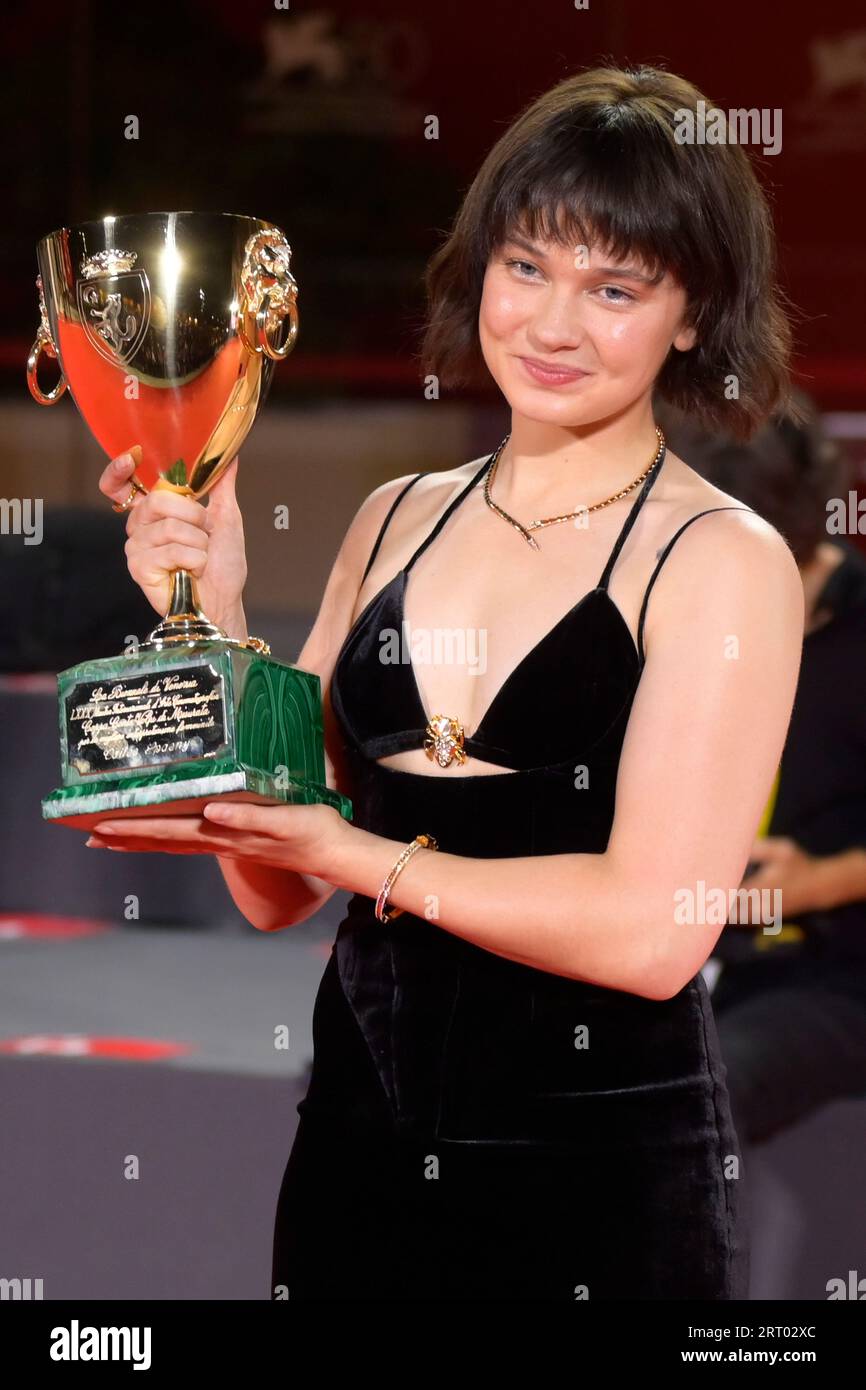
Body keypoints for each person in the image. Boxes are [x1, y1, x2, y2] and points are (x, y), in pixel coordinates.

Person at [89, 63, 805, 1300]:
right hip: (354, 1158)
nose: (551, 324)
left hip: (597, 1184)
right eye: (524, 266)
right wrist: (205, 627)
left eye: (614, 287)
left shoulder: (717, 560)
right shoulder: (392, 520)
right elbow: (268, 890)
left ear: (692, 314)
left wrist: (359, 855)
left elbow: (650, 934)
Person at [656, 397, 866, 1145]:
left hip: (830, 974)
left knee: (697, 1092)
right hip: (659, 946)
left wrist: (817, 883)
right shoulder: (659, 617)